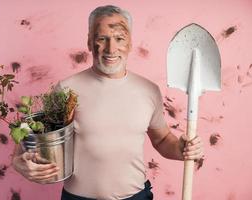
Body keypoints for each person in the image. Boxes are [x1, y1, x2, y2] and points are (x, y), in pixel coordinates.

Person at [12, 5, 204, 200]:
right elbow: (36, 135)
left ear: (130, 43)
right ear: (89, 42)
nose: (111, 49)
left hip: (135, 197)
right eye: (102, 39)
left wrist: (181, 149)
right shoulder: (66, 90)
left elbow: (162, 140)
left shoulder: (149, 90)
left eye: (119, 39)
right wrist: (18, 162)